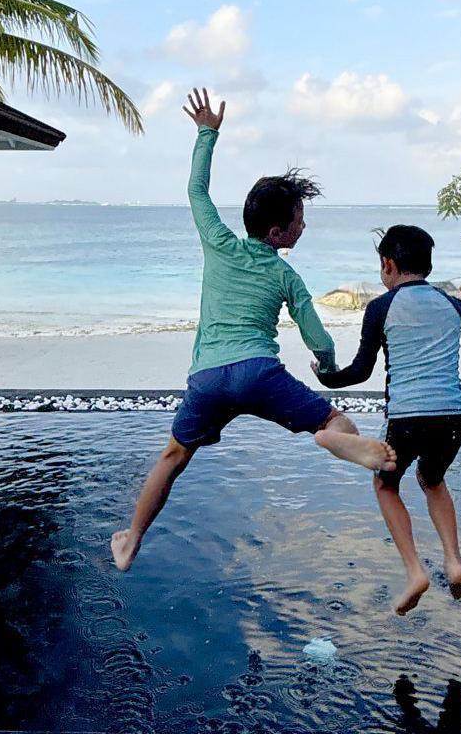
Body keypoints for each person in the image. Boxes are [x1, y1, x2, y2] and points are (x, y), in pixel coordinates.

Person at [111, 89, 397, 571]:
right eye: (299, 222)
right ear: (277, 234)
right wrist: (326, 369)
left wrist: (207, 134)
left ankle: (132, 540)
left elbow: (196, 193)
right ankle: (341, 444)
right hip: (259, 373)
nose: (303, 229)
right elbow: (319, 339)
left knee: (174, 456)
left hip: (207, 379)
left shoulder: (219, 243)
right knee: (331, 423)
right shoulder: (286, 275)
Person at [314, 224, 461, 614]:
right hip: (453, 417)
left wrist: (325, 376)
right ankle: (454, 563)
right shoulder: (450, 303)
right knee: (433, 481)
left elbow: (361, 371)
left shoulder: (382, 307)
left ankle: (415, 571)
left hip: (408, 419)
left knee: (386, 485)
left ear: (388, 265)